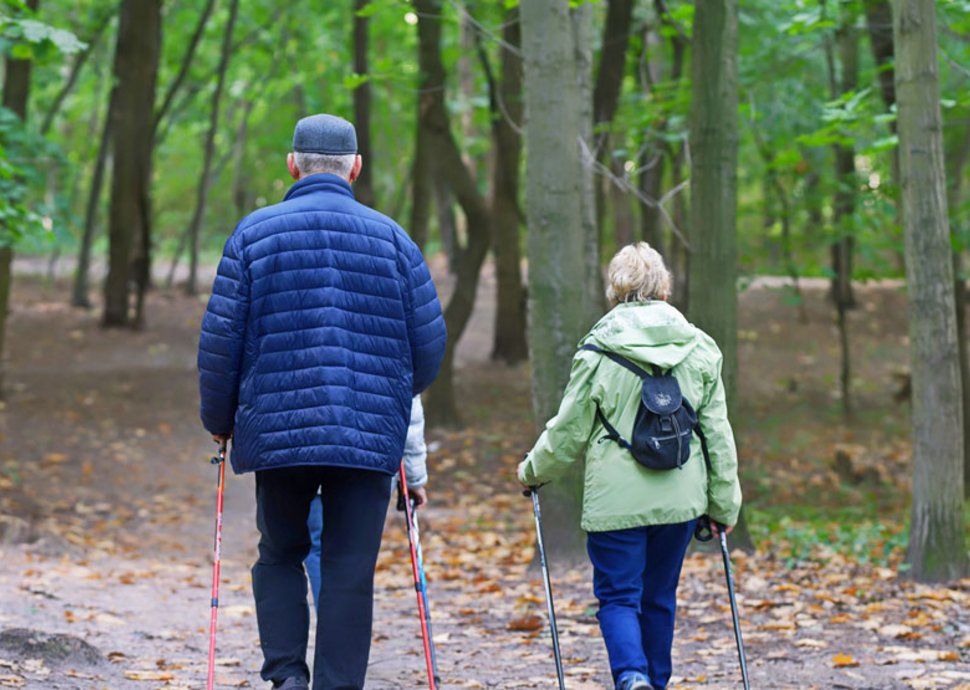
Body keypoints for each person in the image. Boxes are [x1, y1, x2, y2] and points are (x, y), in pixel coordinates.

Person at [197, 113, 446, 690]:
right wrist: (390, 392)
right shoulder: (394, 241)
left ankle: (286, 678)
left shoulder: (253, 235)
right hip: (367, 436)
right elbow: (428, 346)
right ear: (356, 167)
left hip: (280, 432)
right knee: (349, 572)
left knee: (280, 553)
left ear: (293, 164)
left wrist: (219, 418)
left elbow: (220, 341)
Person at [517, 242, 741, 690]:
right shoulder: (700, 348)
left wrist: (533, 471)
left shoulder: (598, 352)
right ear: (663, 288)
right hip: (680, 499)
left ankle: (631, 676)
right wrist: (724, 506)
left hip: (615, 504)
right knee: (659, 597)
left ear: (615, 288)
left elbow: (568, 430)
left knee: (619, 597)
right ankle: (654, 682)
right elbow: (717, 433)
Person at [304, 394, 428, 608]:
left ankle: (330, 627)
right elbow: (409, 408)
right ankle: (345, 635)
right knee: (355, 552)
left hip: (309, 458)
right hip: (370, 462)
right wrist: (414, 476)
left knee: (318, 548)